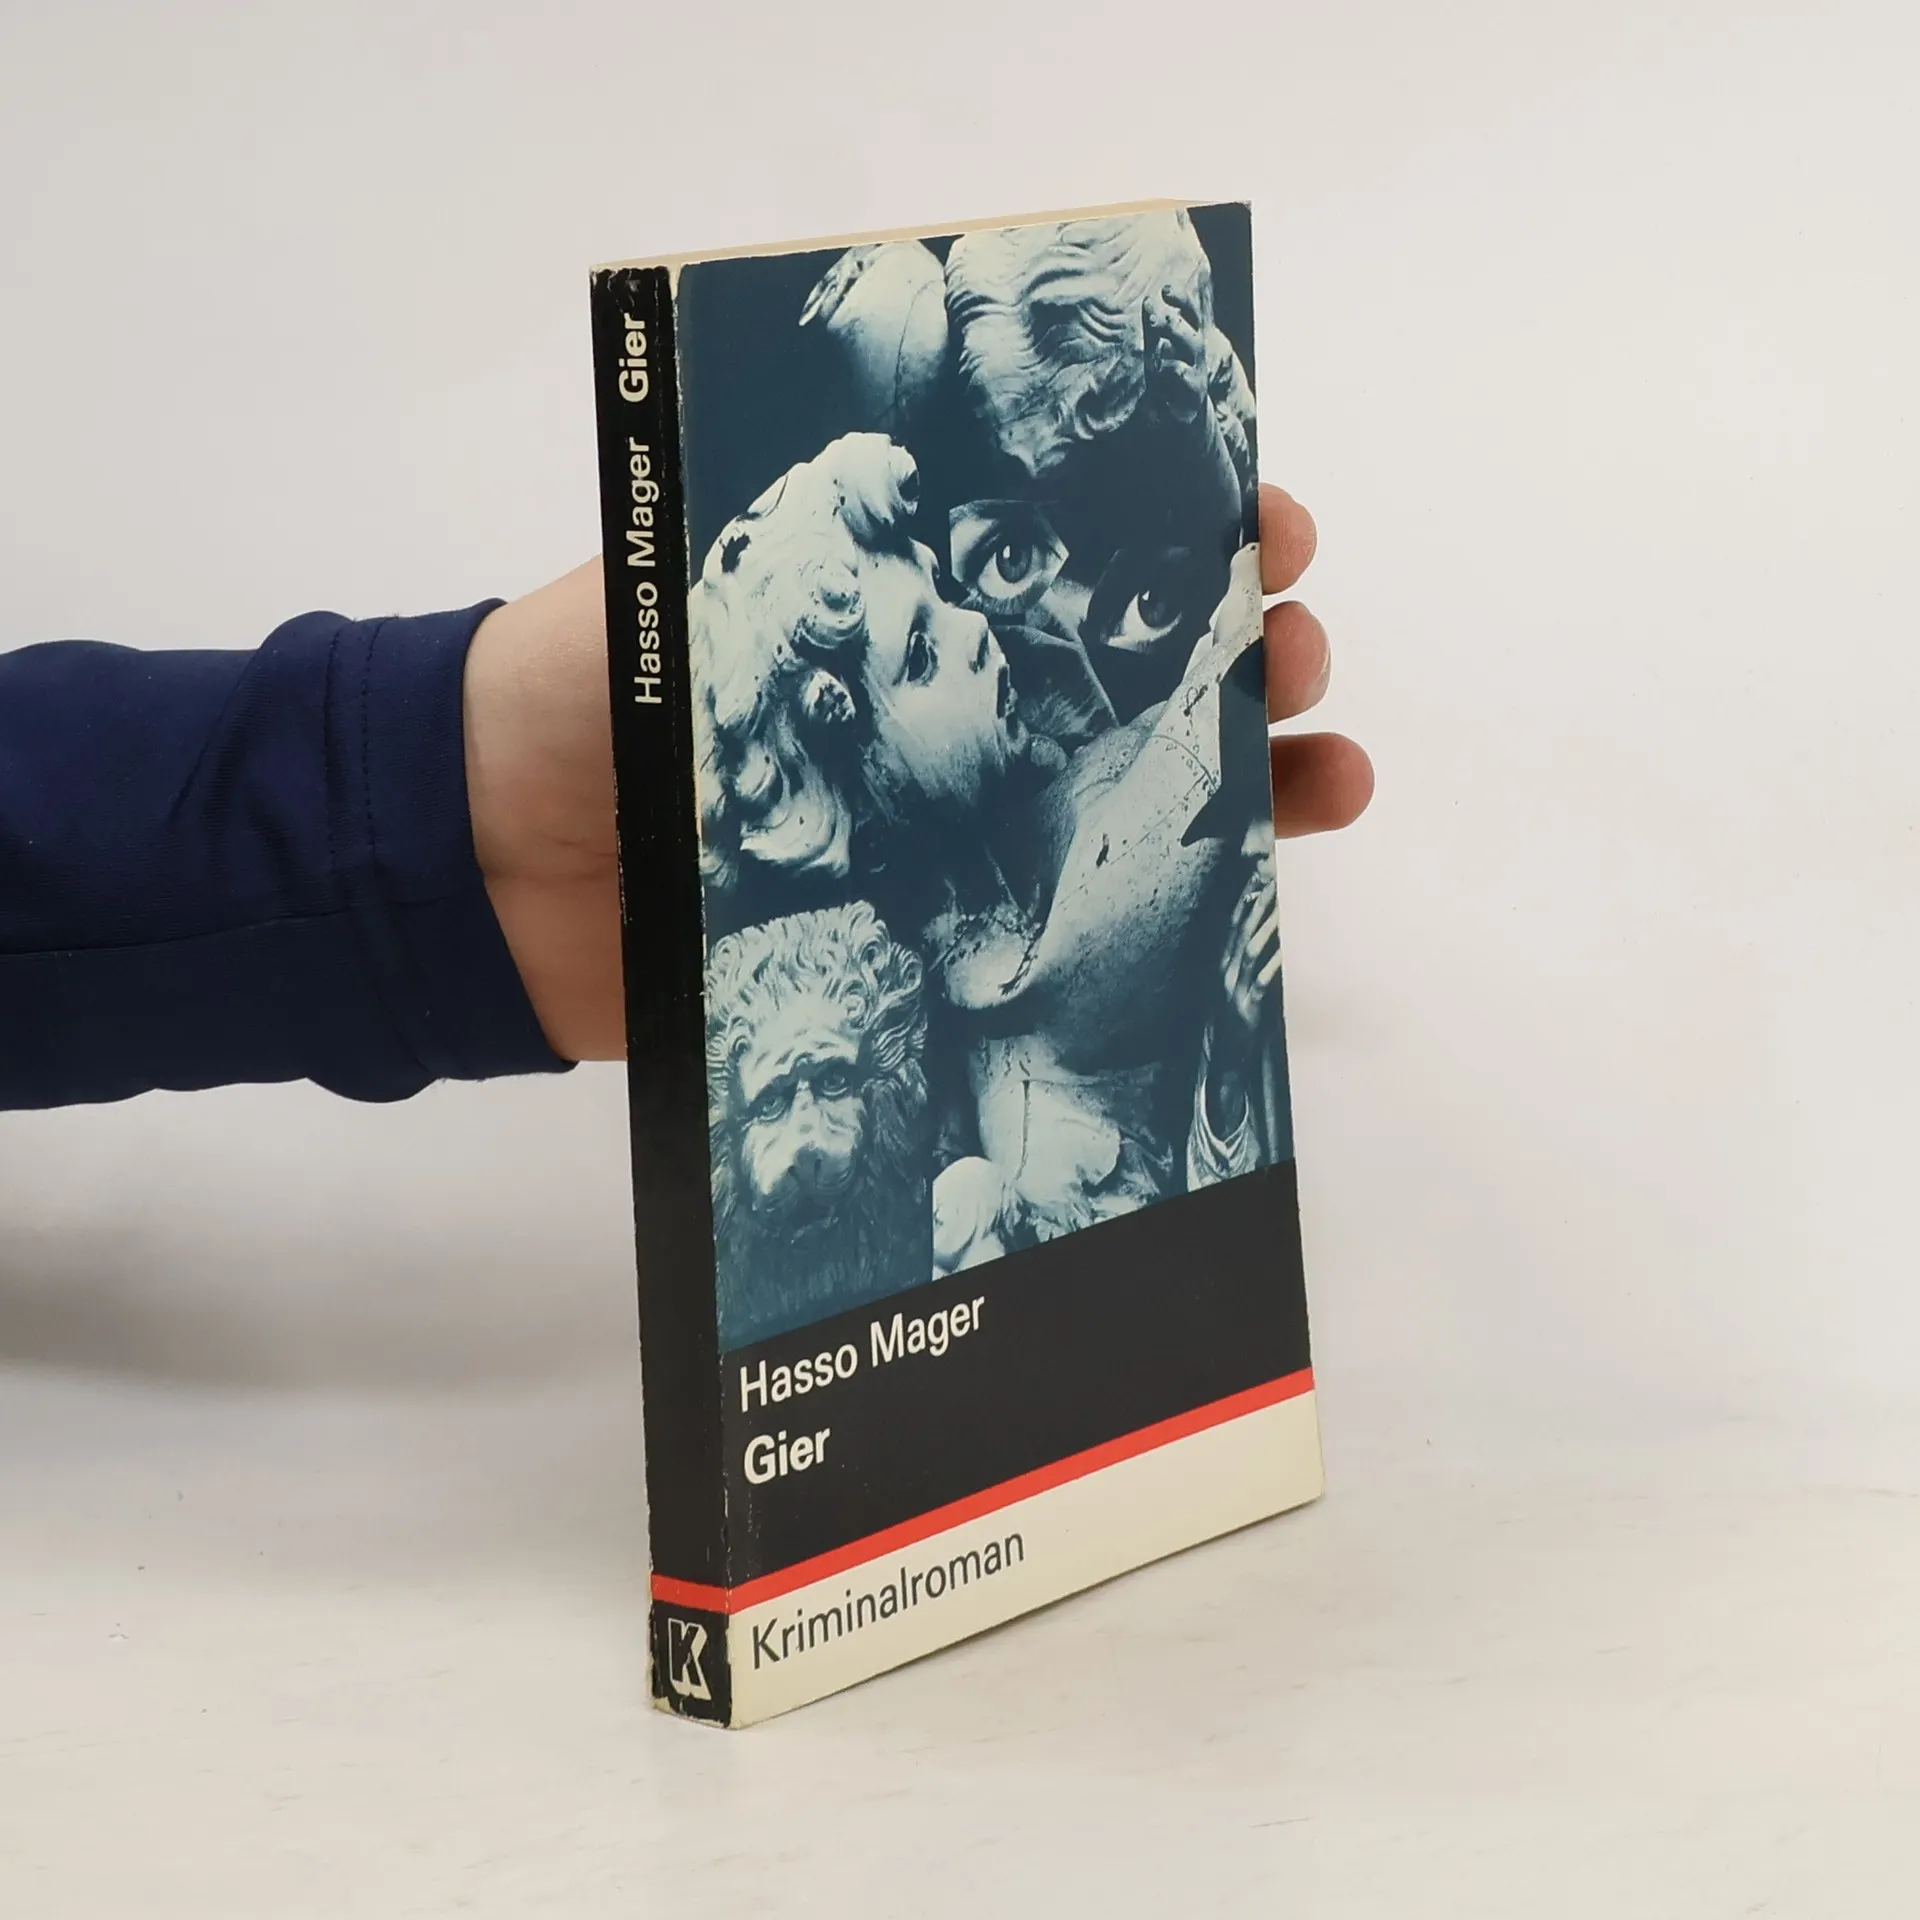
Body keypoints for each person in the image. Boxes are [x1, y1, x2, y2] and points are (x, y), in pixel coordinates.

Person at [0, 485, 1370, 1112]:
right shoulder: (1005, 967)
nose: (977, 634)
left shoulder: (1067, 795)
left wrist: (434, 767)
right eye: (917, 651)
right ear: (843, 746)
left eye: (944, 604)